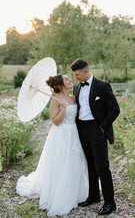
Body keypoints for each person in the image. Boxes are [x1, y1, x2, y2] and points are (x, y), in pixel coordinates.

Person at [16, 74, 88, 217]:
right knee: (60, 163)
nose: (70, 80)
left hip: (73, 133)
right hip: (60, 135)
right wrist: (63, 109)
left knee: (74, 161)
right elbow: (56, 121)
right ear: (61, 85)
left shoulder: (73, 97)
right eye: (67, 79)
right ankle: (58, 193)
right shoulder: (55, 101)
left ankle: (75, 190)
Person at [71, 58, 120, 216]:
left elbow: (114, 110)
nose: (75, 78)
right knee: (90, 165)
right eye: (74, 75)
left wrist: (101, 128)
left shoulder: (102, 86)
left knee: (102, 167)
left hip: (97, 129)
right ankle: (93, 196)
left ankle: (110, 203)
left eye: (77, 74)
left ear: (86, 71)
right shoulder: (77, 87)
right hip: (82, 130)